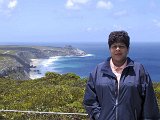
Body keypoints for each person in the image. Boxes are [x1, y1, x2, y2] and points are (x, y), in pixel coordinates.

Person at [83, 30, 160, 120]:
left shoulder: (139, 70)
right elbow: (89, 100)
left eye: (121, 46)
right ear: (110, 49)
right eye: (114, 46)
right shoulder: (98, 71)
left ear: (128, 49)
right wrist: (99, 116)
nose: (117, 49)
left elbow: (149, 104)